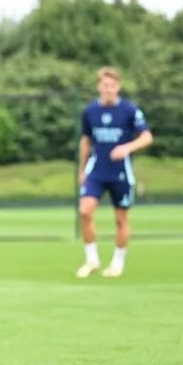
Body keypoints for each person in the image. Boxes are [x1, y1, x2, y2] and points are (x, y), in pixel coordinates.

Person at [75, 66, 152, 278]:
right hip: (96, 171)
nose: (108, 89)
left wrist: (127, 148)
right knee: (85, 211)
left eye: (112, 85)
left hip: (121, 172)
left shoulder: (130, 111)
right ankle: (92, 260)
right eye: (104, 85)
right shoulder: (90, 112)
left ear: (118, 87)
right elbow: (86, 140)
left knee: (121, 219)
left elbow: (146, 137)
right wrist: (82, 170)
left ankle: (117, 262)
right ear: (99, 86)